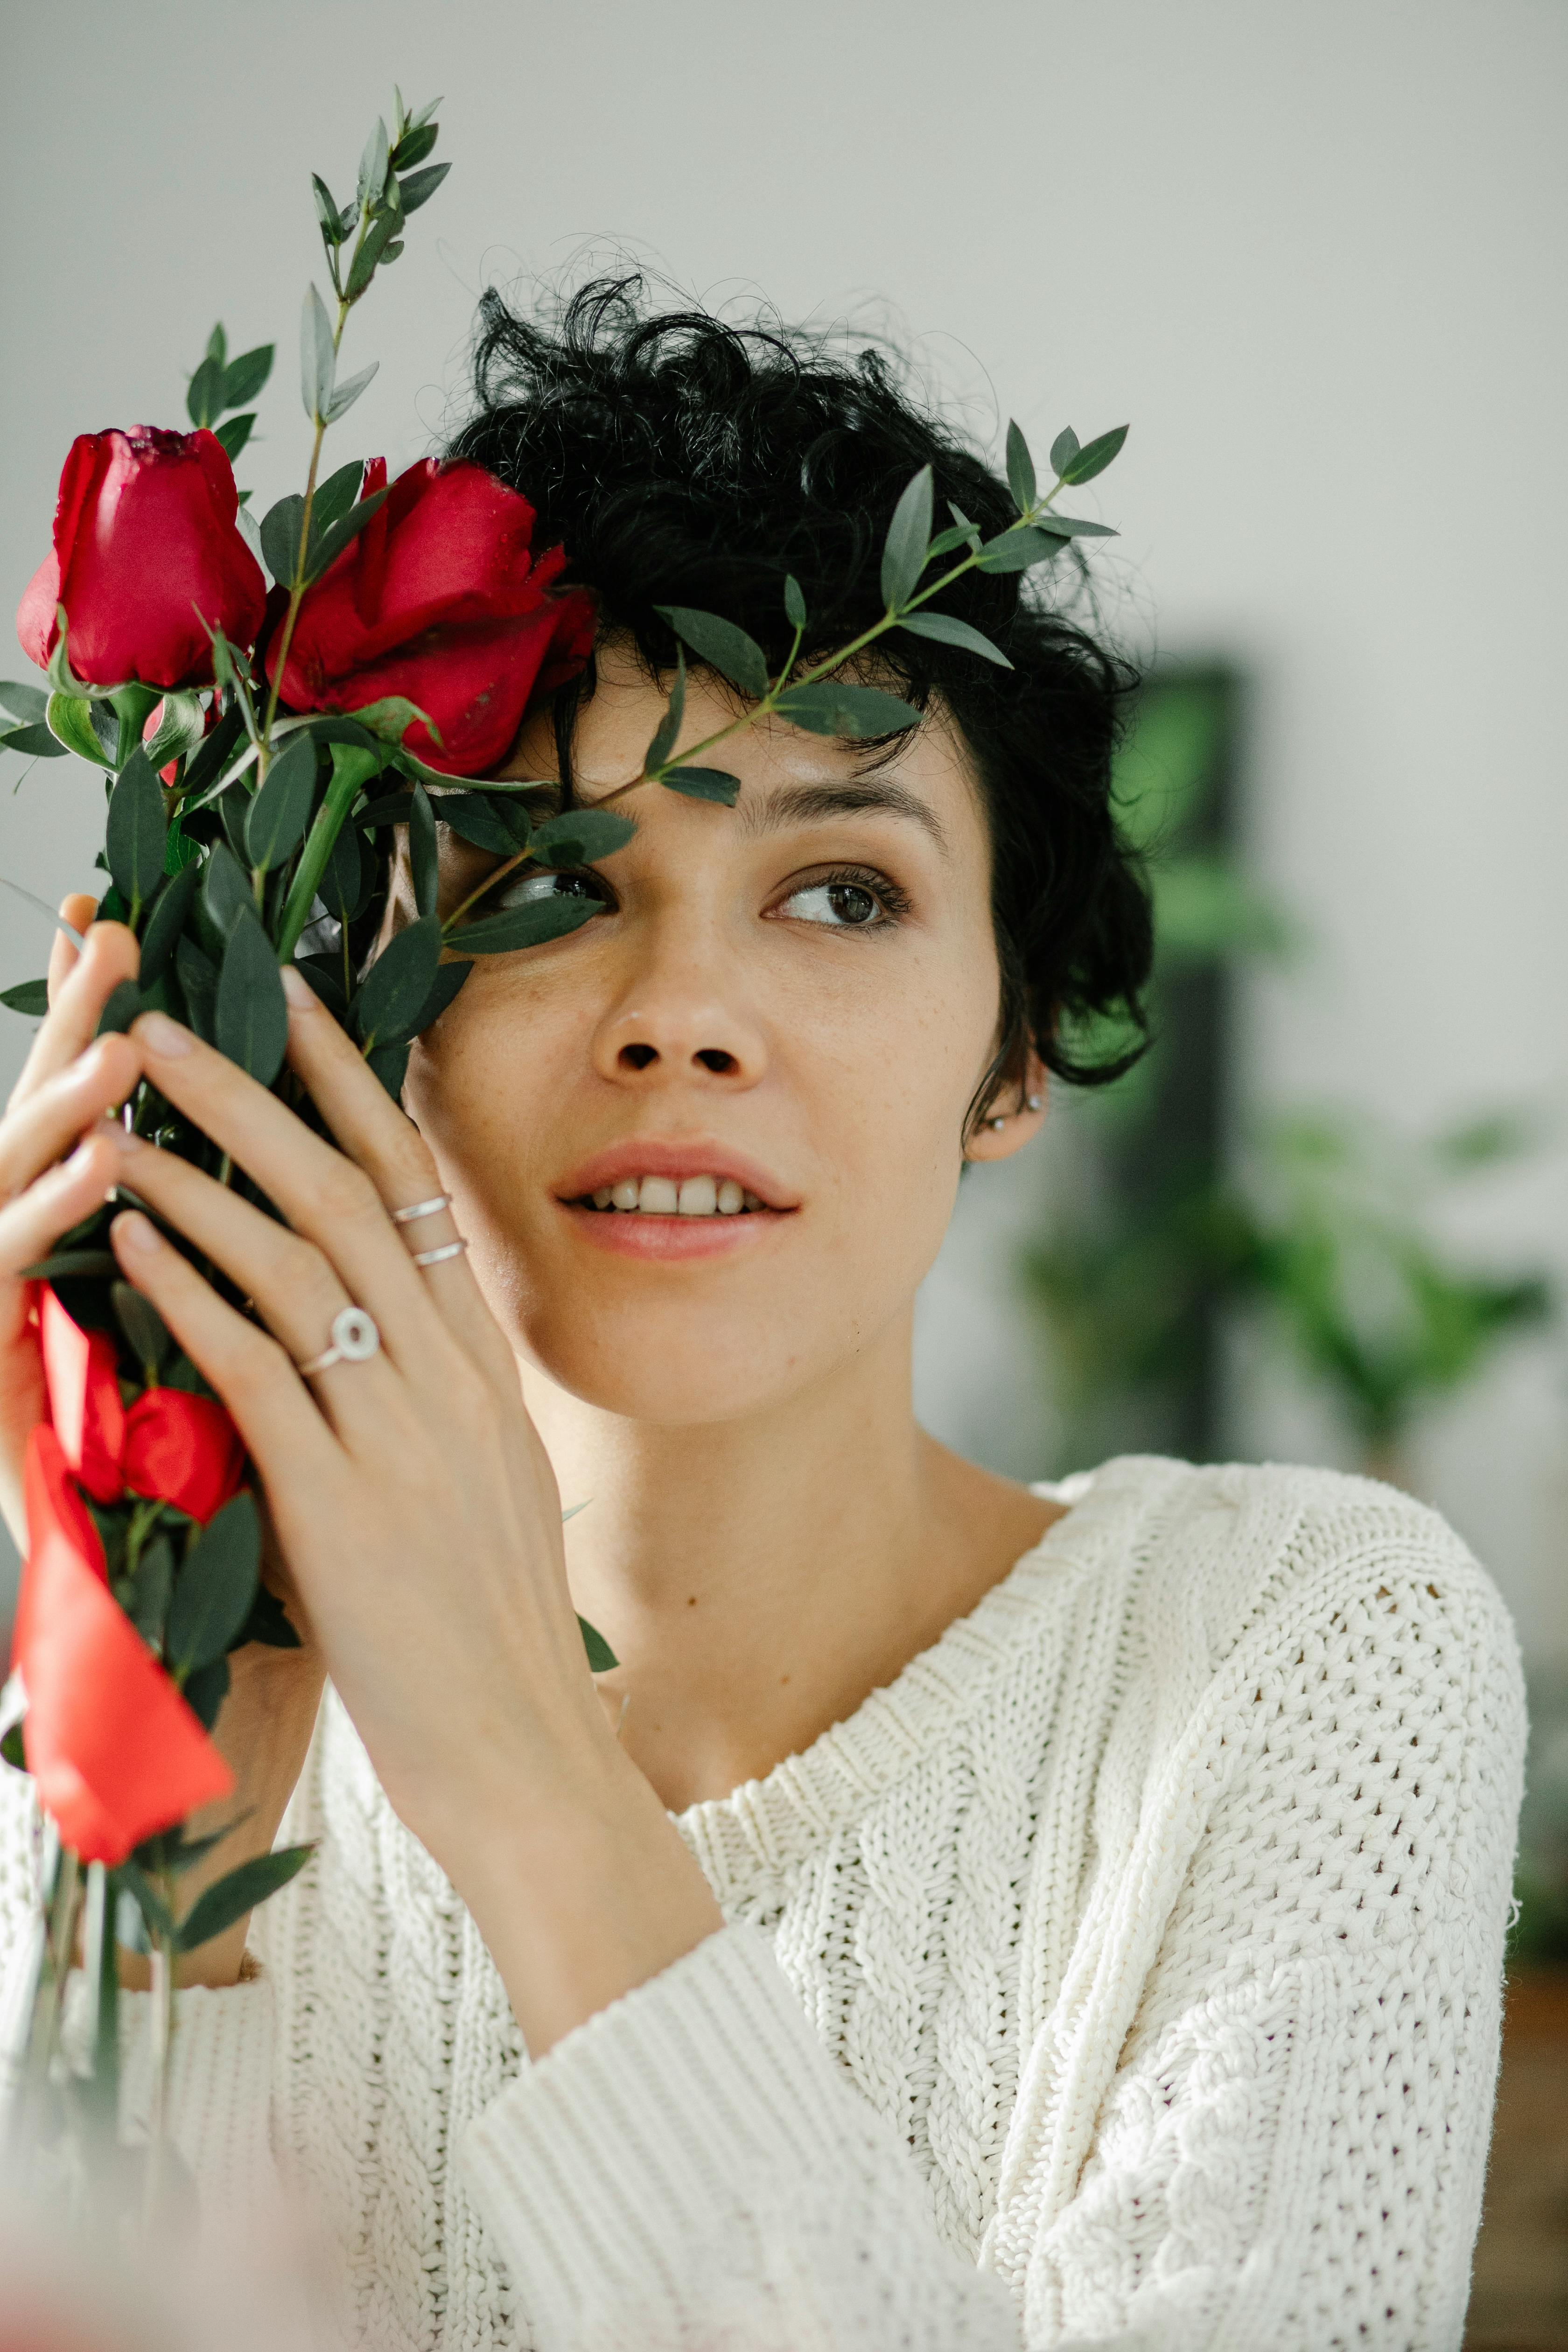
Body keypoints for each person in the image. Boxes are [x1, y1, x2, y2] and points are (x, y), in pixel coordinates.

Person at [0, 281, 1525, 2351]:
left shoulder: (1305, 1650)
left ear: (1015, 1058)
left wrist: (526, 1779)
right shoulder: (146, 1720)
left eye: (842, 894)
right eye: (545, 882)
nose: (683, 1020)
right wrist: (158, 1904)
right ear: (367, 1013)